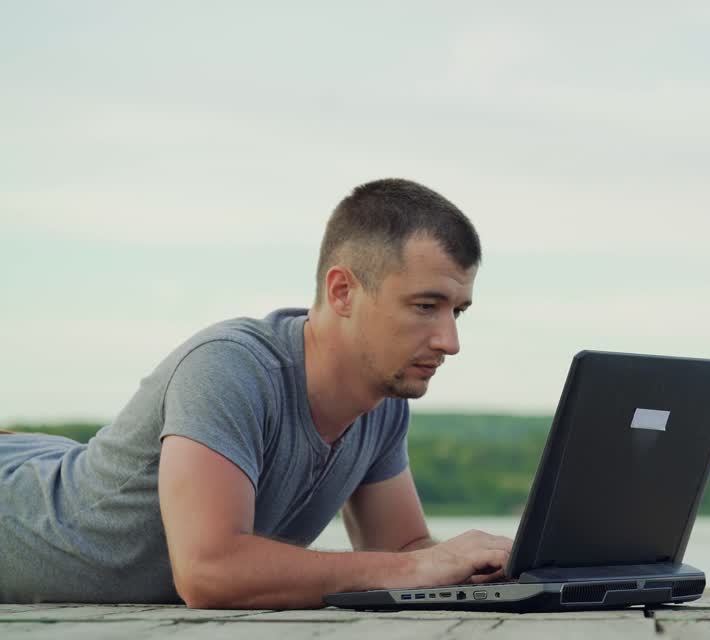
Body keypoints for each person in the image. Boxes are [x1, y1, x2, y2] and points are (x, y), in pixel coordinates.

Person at [0, 179, 513, 608]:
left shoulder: (382, 405)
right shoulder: (231, 367)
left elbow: (402, 551)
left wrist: (499, 561)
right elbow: (209, 571)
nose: (450, 341)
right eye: (426, 306)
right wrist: (414, 565)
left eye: (457, 311)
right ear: (342, 292)